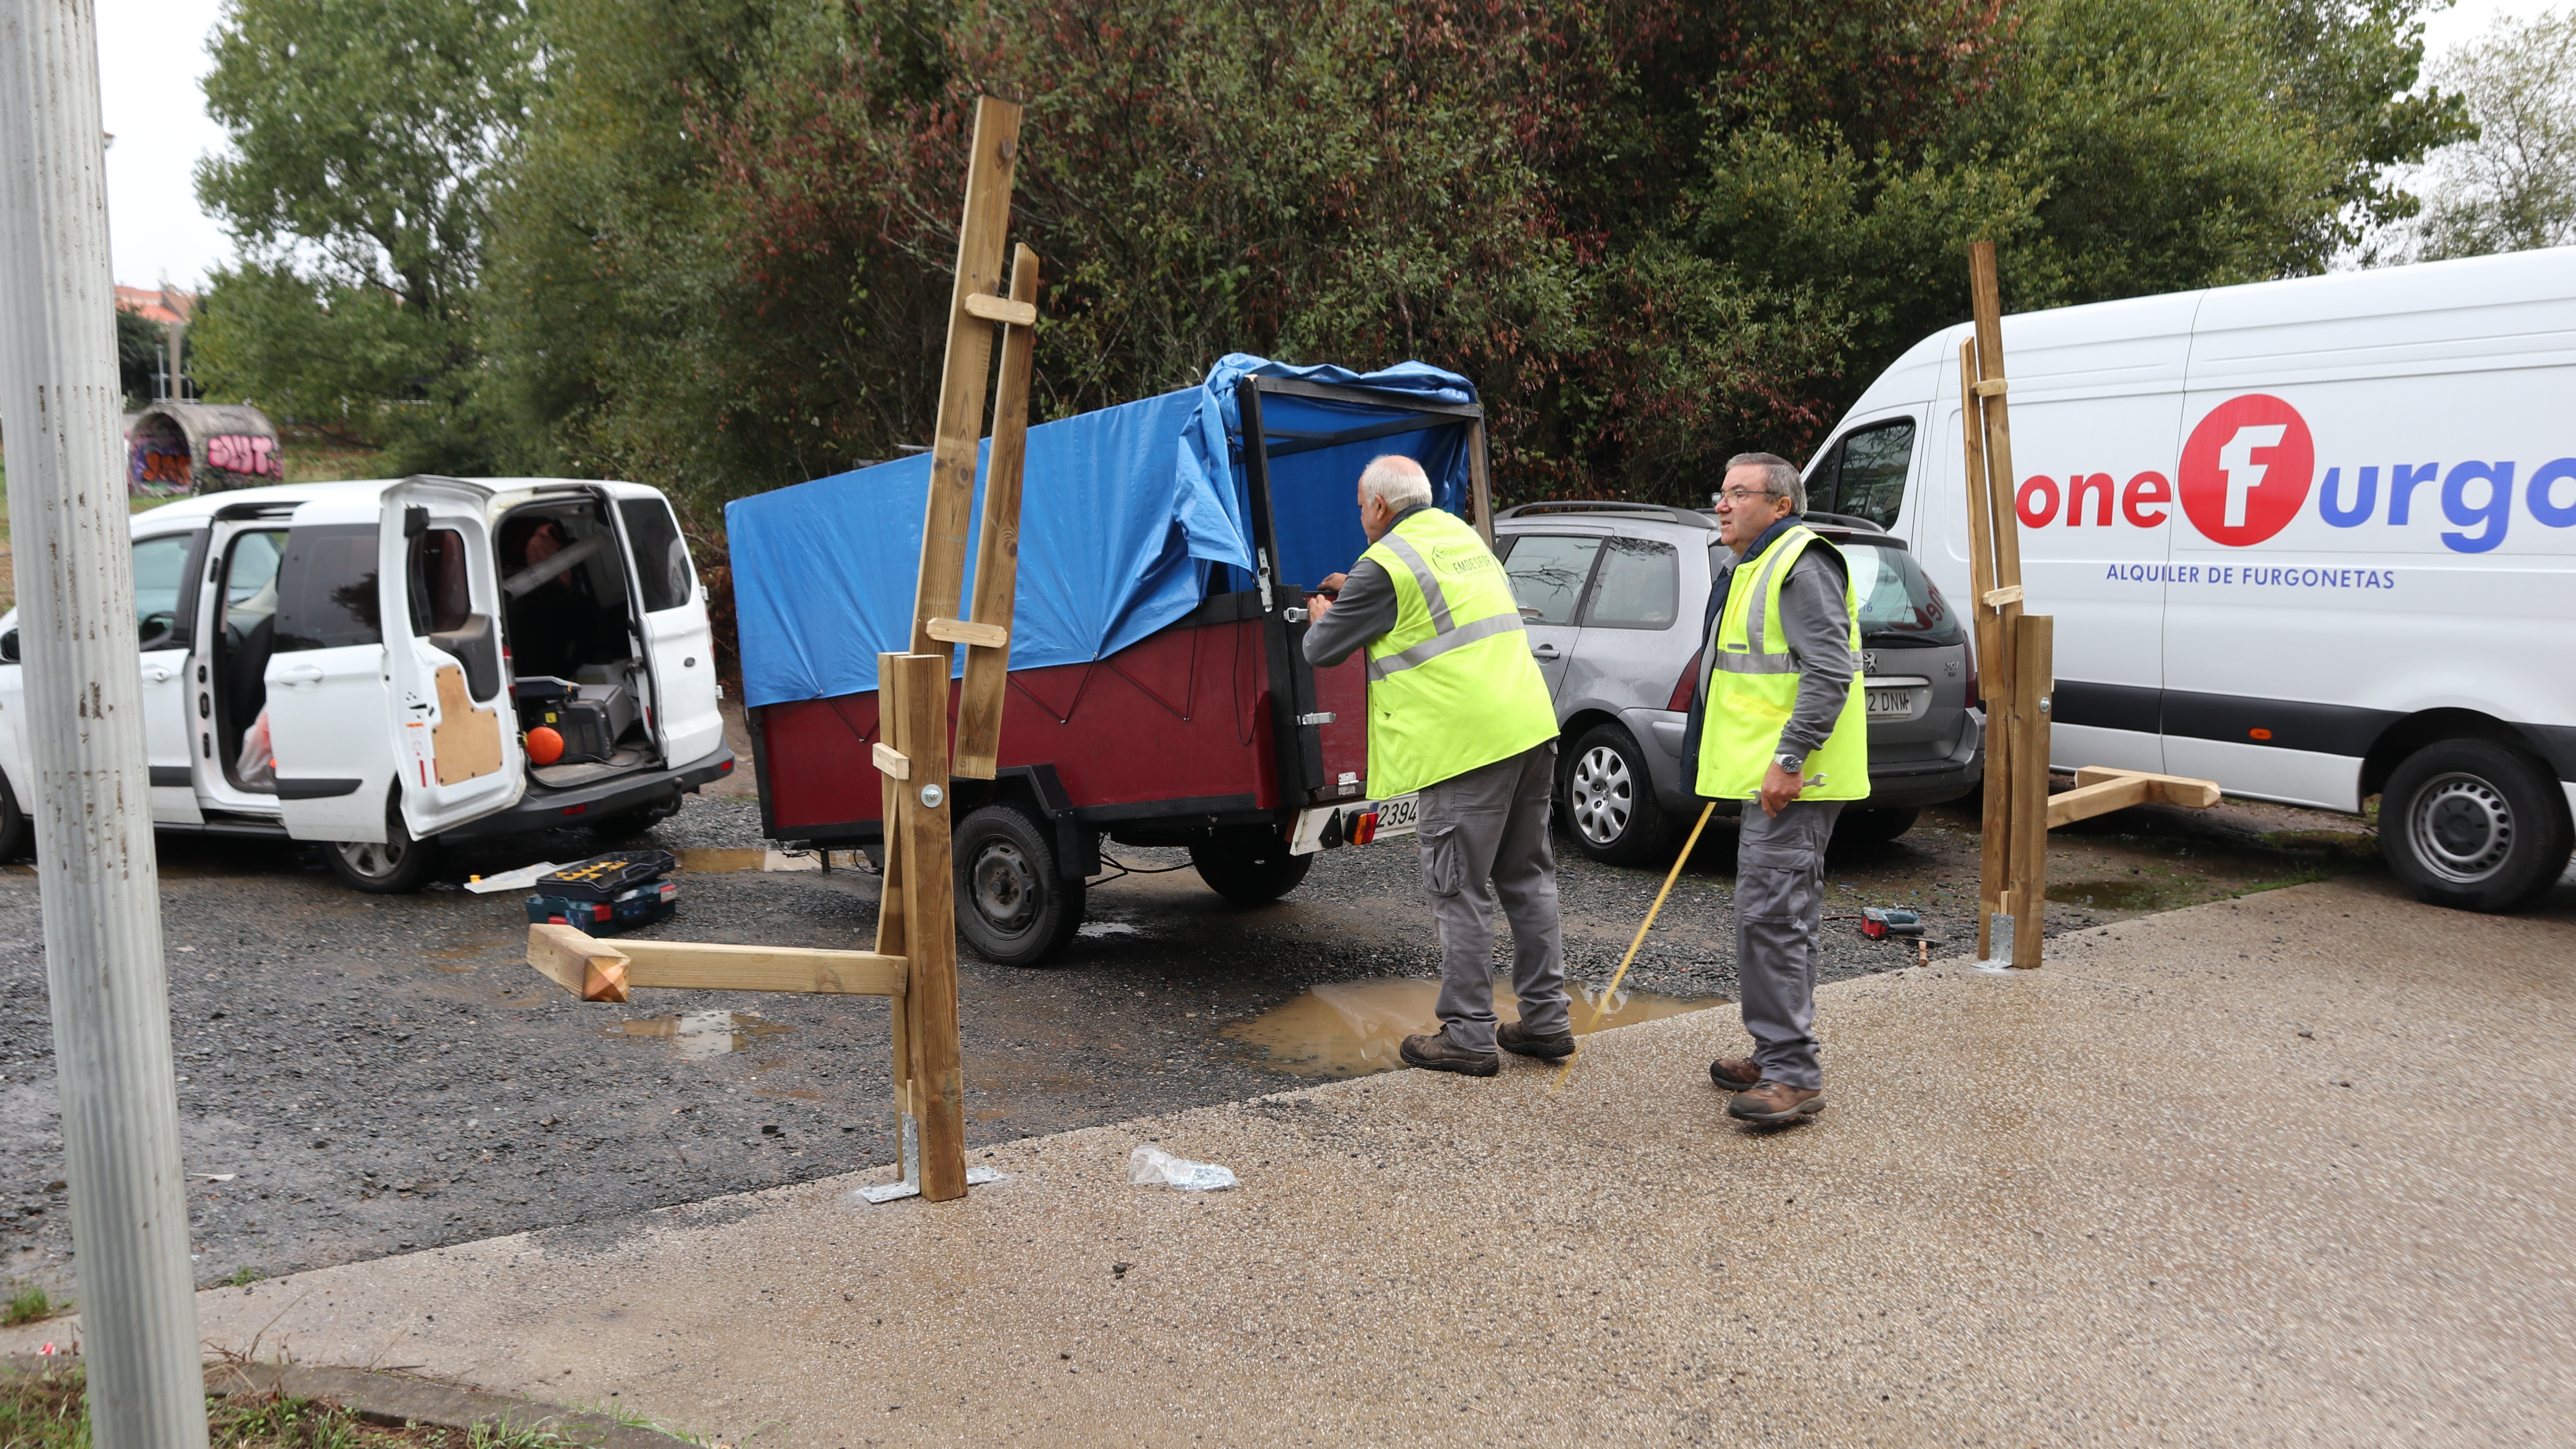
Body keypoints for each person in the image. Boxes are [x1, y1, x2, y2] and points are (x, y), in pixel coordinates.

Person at [1303, 455, 1571, 1076]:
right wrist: (1356, 589)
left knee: (1459, 889)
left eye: (1361, 507)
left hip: (1464, 747)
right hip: (1529, 727)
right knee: (1528, 880)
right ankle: (1546, 1021)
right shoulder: (1463, 540)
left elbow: (1322, 649)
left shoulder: (1384, 565)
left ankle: (1468, 1035)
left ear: (1378, 506)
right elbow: (1423, 605)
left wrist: (1326, 615)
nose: (1361, 517)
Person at [1679, 452, 1870, 1124]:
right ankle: (1775, 1053)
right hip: (1771, 779)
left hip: (1794, 782)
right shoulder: (1754, 564)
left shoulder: (1800, 563)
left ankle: (1793, 1074)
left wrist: (1789, 759)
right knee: (1771, 919)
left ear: (1781, 505)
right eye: (1722, 491)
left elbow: (1830, 671)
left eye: (1739, 493)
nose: (1722, 504)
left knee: (1774, 923)